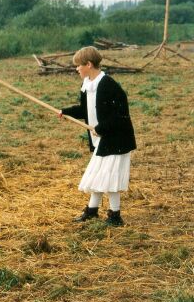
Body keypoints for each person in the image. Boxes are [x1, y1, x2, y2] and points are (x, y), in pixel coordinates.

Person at [58, 46, 136, 226]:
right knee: (99, 174)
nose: (77, 69)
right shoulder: (87, 85)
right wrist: (65, 112)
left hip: (116, 139)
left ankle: (115, 216)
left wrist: (101, 128)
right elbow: (84, 109)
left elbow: (120, 116)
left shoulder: (108, 85)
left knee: (110, 176)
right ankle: (92, 211)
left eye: (79, 65)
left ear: (89, 64)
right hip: (101, 139)